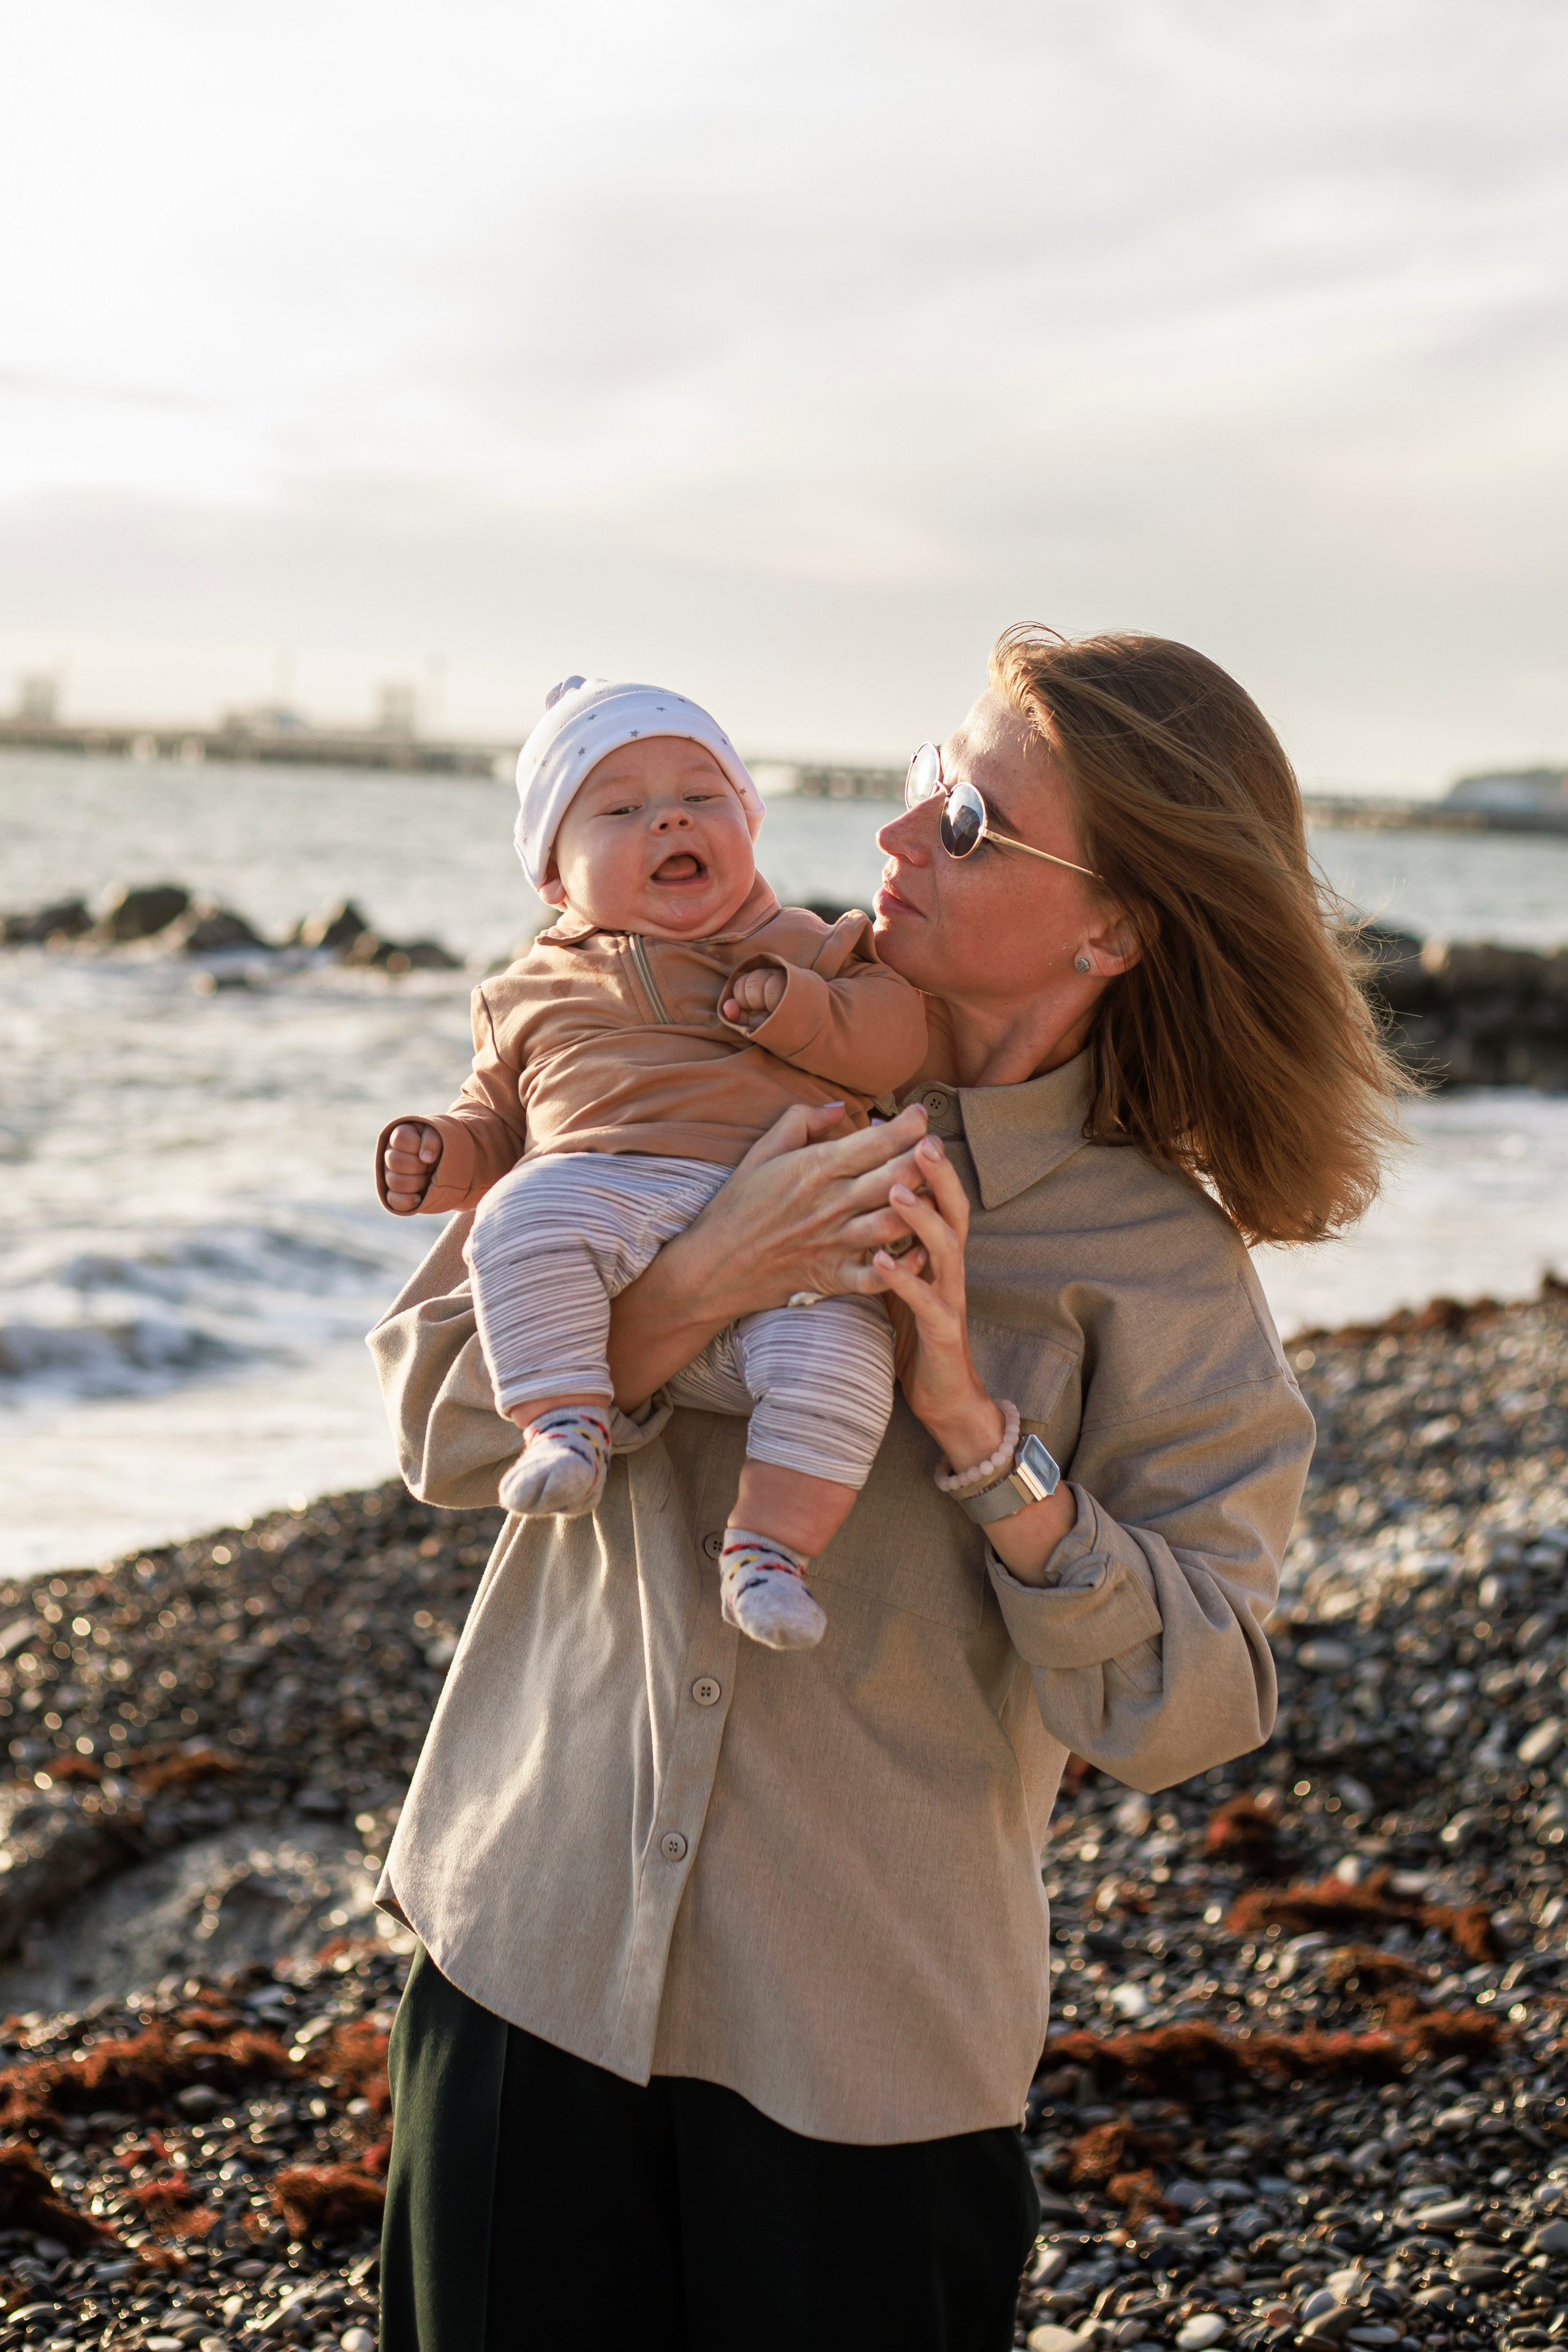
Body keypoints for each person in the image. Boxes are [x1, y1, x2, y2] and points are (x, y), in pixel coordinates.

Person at [367, 628, 1405, 2352]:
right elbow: (432, 1419)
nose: (901, 837)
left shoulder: (1157, 1263)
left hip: (861, 2061)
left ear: (1116, 926)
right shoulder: (689, 1027)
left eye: (975, 826)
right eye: (932, 780)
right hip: (523, 1956)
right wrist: (694, 1283)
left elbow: (1193, 1700)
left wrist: (979, 1435)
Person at [374, 675, 927, 1648]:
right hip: (605, 1207)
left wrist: (799, 1007)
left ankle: (769, 1556)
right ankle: (566, 1422)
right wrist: (441, 1159)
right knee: (513, 1221)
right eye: (622, 809)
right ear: (553, 877)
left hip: (791, 1247)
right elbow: (496, 1123)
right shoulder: (525, 993)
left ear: (749, 823)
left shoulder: (808, 945)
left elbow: (897, 1042)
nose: (670, 818)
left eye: (703, 797)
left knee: (846, 1362)